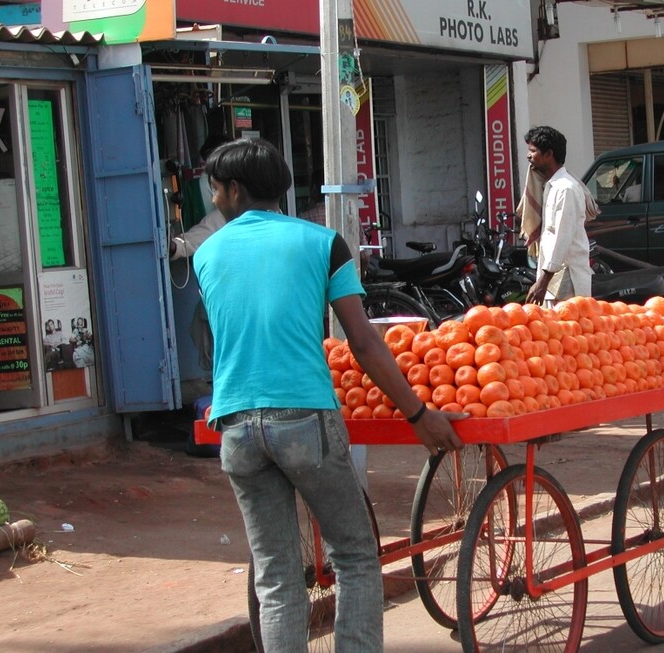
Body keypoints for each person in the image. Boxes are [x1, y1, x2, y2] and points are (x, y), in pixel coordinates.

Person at [192, 138, 463, 652]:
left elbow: (224, 335)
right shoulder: (323, 243)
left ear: (232, 190)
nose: (214, 200)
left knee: (275, 577)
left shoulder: (207, 255)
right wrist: (417, 412)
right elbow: (361, 341)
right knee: (357, 556)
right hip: (303, 418)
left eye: (214, 190)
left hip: (235, 424)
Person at [523, 126, 592, 304]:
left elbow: (563, 237)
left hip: (568, 276)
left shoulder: (565, 189)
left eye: (533, 151)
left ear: (549, 154)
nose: (528, 156)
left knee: (567, 328)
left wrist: (542, 282)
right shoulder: (551, 186)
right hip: (555, 276)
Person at [169, 132, 230, 260]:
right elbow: (206, 230)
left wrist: (177, 246)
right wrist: (176, 246)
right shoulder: (197, 185)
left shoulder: (242, 198)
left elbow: (210, 227)